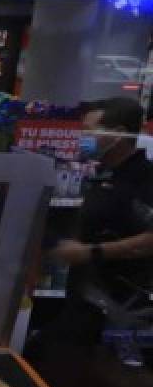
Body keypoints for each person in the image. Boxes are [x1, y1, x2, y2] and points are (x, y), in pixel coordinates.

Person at [47, 96, 153, 344]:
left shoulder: (143, 180)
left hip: (121, 308)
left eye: (88, 131)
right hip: (86, 297)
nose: (82, 138)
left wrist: (90, 252)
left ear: (118, 135)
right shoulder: (103, 174)